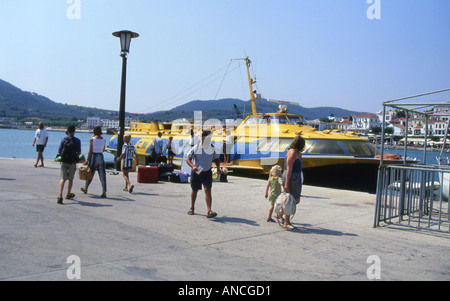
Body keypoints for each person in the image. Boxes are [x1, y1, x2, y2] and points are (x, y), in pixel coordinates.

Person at [186, 130, 221, 218]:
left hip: (207, 172)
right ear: (202, 138)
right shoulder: (196, 147)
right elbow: (188, 160)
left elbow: (216, 159)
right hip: (197, 172)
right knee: (195, 190)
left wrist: (218, 168)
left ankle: (209, 211)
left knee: (207, 190)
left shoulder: (212, 148)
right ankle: (192, 207)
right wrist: (193, 166)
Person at [282, 135, 306, 229]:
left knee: (295, 199)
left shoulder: (296, 153)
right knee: (290, 199)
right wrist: (287, 183)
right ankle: (286, 222)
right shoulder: (292, 153)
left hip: (296, 177)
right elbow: (289, 169)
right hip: (291, 177)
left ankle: (280, 215)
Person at [57, 125, 81, 204]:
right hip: (72, 162)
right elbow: (79, 153)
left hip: (64, 162)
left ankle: (60, 195)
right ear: (74, 131)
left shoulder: (64, 139)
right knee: (70, 179)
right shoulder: (77, 141)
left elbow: (59, 151)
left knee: (63, 179)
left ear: (67, 131)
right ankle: (67, 194)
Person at [81, 125, 107, 198]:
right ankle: (104, 191)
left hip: (94, 156)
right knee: (102, 174)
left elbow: (90, 151)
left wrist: (87, 160)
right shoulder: (104, 140)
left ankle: (86, 188)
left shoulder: (92, 139)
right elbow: (103, 150)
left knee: (90, 173)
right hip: (100, 156)